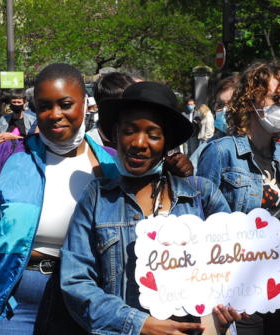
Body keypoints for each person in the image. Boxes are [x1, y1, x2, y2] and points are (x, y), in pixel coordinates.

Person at [0, 63, 126, 335]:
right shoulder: (7, 158)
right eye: (45, 105)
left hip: (88, 309)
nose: (55, 114)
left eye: (66, 104)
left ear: (85, 104)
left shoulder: (112, 166)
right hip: (11, 307)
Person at [60, 81, 240, 335]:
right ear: (116, 134)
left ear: (167, 143)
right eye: (129, 131)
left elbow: (233, 268)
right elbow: (76, 282)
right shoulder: (97, 198)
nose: (139, 143)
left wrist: (224, 315)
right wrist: (138, 324)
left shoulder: (203, 195)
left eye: (153, 135)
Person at [196, 61, 280, 334]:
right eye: (278, 99)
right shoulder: (221, 152)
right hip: (239, 291)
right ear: (252, 98)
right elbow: (200, 222)